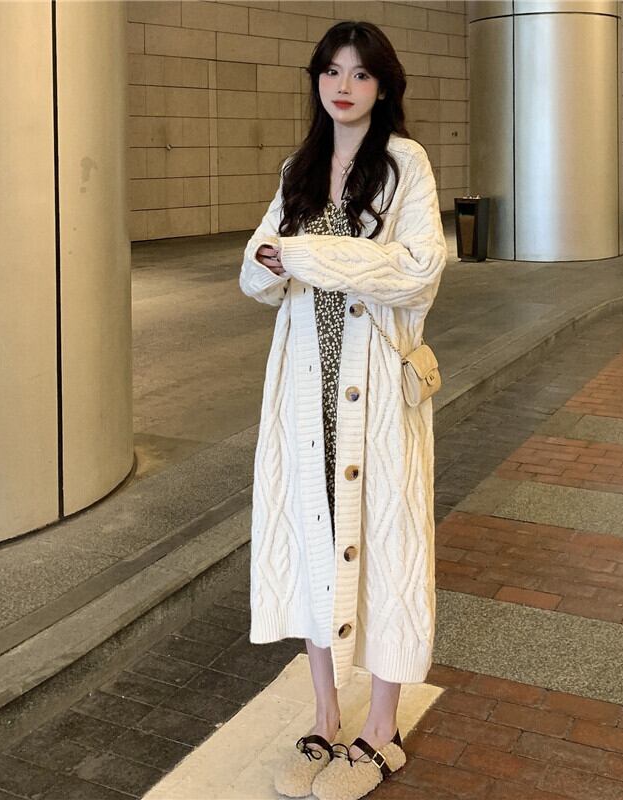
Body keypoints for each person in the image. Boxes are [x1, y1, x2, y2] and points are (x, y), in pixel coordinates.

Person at [239, 19, 447, 800]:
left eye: (360, 73)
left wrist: (298, 254)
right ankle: (326, 714)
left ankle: (381, 727)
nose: (344, 86)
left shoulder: (404, 165)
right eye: (331, 71)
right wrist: (284, 260)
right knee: (313, 537)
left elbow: (417, 272)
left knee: (389, 540)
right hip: (304, 388)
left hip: (378, 390)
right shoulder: (298, 168)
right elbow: (253, 276)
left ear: (383, 85)